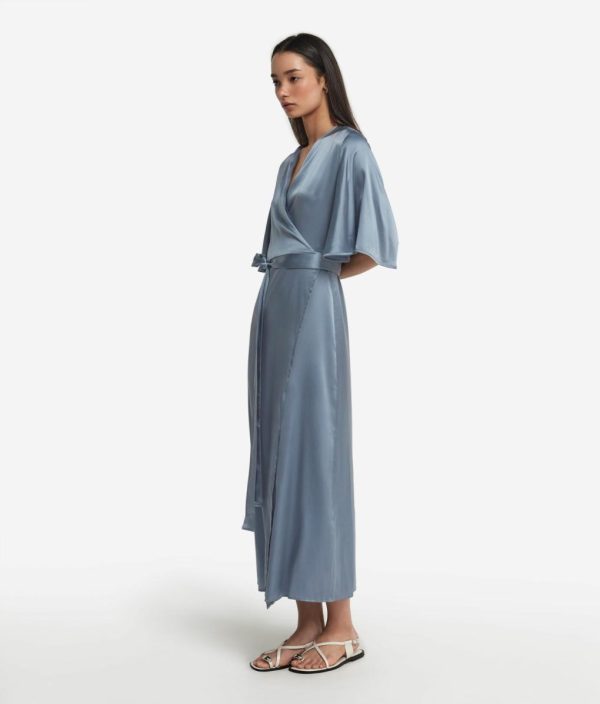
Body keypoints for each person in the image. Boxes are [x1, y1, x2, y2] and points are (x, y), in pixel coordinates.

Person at [242, 33, 398, 673]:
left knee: (317, 453)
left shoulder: (351, 150)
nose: (283, 91)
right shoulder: (290, 162)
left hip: (312, 310)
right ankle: (308, 620)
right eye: (275, 81)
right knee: (280, 452)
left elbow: (374, 245)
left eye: (294, 78)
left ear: (324, 78)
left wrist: (318, 276)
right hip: (274, 309)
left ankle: (343, 626)